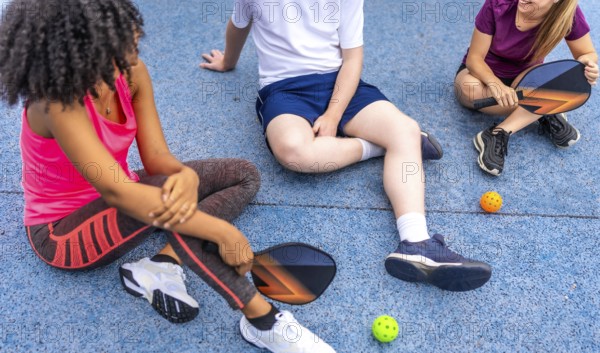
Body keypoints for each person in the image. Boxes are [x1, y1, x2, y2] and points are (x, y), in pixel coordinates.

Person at [0, 0, 338, 353]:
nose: (133, 51)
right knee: (174, 207)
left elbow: (159, 160)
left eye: (132, 40)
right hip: (62, 234)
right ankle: (262, 320)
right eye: (119, 47)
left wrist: (186, 176)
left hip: (129, 192)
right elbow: (119, 194)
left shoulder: (131, 72)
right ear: (81, 53)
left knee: (243, 175)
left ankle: (162, 264)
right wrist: (217, 229)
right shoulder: (58, 103)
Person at [200, 0, 493, 293]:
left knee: (405, 129)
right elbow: (239, 24)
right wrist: (228, 61)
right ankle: (377, 146)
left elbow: (352, 60)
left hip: (340, 83)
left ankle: (416, 242)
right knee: (294, 152)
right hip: (283, 89)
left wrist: (332, 115)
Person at [455, 0, 598, 176]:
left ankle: (497, 133)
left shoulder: (568, 13)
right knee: (468, 90)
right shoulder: (497, 4)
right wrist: (496, 85)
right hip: (483, 75)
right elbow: (474, 59)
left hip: (526, 77)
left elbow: (587, 54)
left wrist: (587, 64)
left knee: (548, 88)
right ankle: (544, 110)